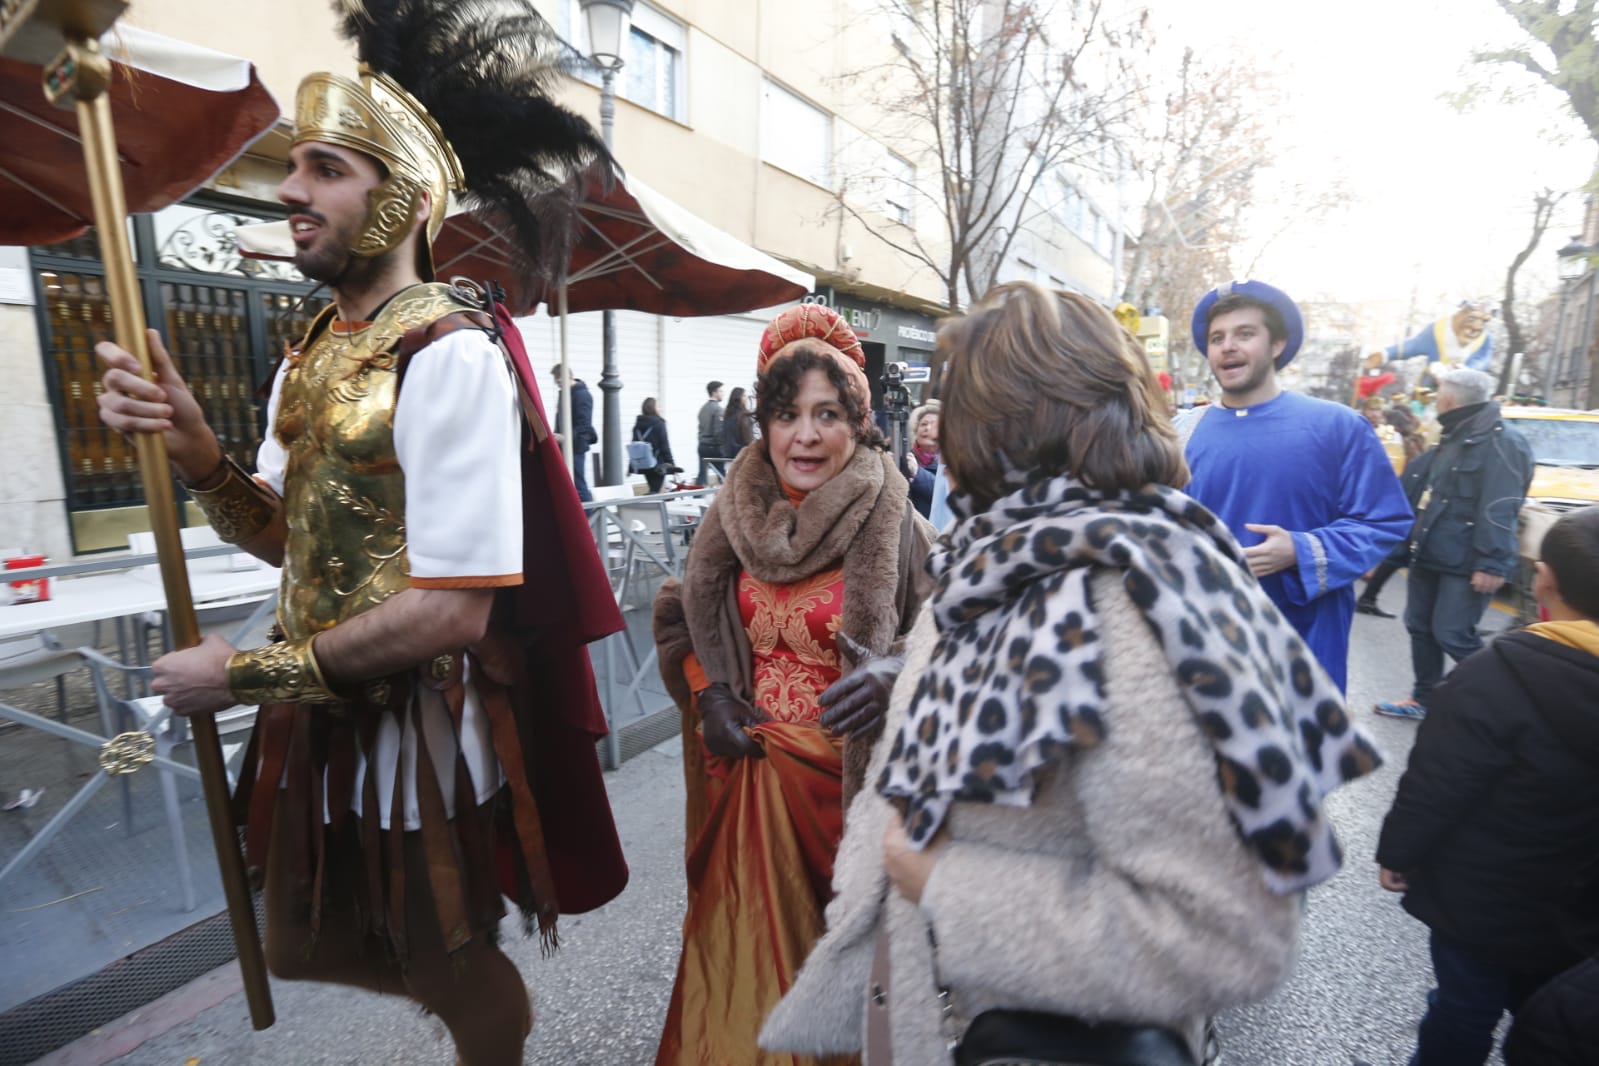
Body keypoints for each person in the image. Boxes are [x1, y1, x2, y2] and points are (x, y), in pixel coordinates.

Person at [93, 10, 630, 1062]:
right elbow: (294, 540)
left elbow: (452, 608)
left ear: (401, 198)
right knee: (294, 939)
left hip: (410, 725)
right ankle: (474, 997)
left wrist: (240, 677)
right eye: (294, 167)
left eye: (324, 169)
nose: (290, 191)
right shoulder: (310, 354)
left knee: (442, 961)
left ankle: (488, 1029)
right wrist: (204, 456)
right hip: (319, 713)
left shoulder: (449, 353)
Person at [761, 283, 1383, 1065]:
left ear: (1014, 423)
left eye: (955, 406)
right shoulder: (1006, 561)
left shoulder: (1124, 602)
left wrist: (938, 881)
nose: (937, 433)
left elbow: (1220, 935)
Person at [651, 303, 935, 1066]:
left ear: (860, 423)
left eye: (826, 414)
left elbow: (965, 636)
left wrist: (899, 670)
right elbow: (682, 615)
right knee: (741, 998)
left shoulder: (902, 526)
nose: (804, 436)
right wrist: (708, 688)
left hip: (848, 805)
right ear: (763, 423)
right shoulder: (734, 514)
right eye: (785, 414)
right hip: (746, 793)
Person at [1377, 504, 1599, 1066]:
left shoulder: (1497, 671)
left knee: (1462, 1007)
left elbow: (1439, 781)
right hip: (1582, 906)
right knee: (1556, 1013)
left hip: (1481, 898)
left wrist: (1400, 852)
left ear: (1544, 578)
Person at [1175, 279, 1413, 691]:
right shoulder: (1180, 433)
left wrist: (1301, 551)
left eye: (1244, 334)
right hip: (1202, 646)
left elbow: (1384, 522)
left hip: (1299, 651)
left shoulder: (1338, 426)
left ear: (1277, 344)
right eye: (1217, 338)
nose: (1227, 346)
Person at [1375, 368, 1534, 721]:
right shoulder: (1454, 435)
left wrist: (1492, 562)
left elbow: (1499, 507)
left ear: (1450, 397)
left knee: (1453, 634)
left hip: (1466, 560)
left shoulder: (1502, 442)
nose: (1435, 398)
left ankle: (1509, 707)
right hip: (1430, 552)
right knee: (1420, 626)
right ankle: (1424, 699)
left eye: (1439, 391)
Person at [552, 362, 597, 502]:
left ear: (567, 377)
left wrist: (563, 437)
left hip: (575, 446)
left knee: (578, 484)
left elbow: (583, 425)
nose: (558, 385)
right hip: (568, 445)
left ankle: (588, 518)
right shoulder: (568, 394)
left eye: (559, 382)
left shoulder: (581, 395)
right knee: (572, 483)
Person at [632, 396, 678, 494]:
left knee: (654, 489)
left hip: (644, 463)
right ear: (653, 408)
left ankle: (649, 505)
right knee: (655, 491)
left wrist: (631, 465)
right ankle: (648, 507)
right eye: (658, 406)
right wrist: (671, 465)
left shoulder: (637, 425)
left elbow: (635, 446)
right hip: (658, 464)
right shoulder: (659, 424)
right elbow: (664, 446)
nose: (659, 408)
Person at [905, 399, 940, 519]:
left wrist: (917, 473)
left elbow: (942, 492)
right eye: (923, 424)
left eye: (934, 425)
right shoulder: (906, 458)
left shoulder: (951, 462)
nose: (927, 428)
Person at [697, 379, 725, 484]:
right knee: (721, 474)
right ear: (714, 392)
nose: (723, 394)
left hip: (702, 445)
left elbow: (700, 428)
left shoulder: (703, 408)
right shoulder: (718, 409)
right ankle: (725, 498)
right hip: (713, 446)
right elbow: (718, 431)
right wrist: (722, 446)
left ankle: (697, 498)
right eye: (721, 391)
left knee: (702, 475)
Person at [720, 384, 755, 463]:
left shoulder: (727, 415)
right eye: (744, 396)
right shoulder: (743, 416)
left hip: (729, 454)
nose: (747, 398)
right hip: (743, 455)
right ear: (738, 398)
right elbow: (748, 438)